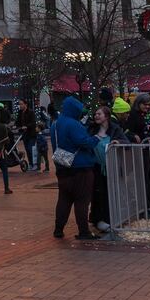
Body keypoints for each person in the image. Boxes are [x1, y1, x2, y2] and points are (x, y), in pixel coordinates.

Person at [51, 96, 98, 239]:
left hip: (62, 166)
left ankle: (58, 229)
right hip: (80, 167)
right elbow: (84, 142)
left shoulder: (55, 124)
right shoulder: (74, 124)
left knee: (64, 199)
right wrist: (97, 138)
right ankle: (84, 231)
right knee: (82, 200)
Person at [87, 104, 124, 233]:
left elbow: (126, 141)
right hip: (96, 167)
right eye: (95, 114)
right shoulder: (91, 129)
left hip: (111, 167)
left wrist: (118, 142)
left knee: (110, 193)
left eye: (99, 114)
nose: (96, 116)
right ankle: (98, 218)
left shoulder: (115, 129)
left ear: (106, 116)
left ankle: (109, 218)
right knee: (98, 193)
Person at [15, 99, 38, 172]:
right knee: (27, 150)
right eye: (19, 104)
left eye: (21, 104)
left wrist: (27, 126)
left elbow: (33, 123)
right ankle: (31, 164)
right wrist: (15, 126)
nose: (20, 106)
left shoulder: (31, 112)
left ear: (26, 104)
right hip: (24, 135)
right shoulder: (20, 112)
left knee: (31, 149)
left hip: (31, 134)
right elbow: (17, 122)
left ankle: (35, 165)